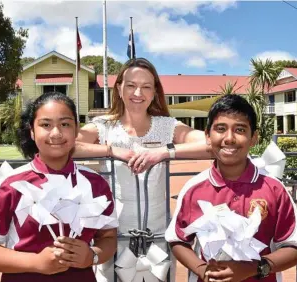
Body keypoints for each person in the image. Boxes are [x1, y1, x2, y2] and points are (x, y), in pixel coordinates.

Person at [75, 58, 213, 281]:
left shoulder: (167, 126)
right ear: (119, 87)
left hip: (157, 237)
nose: (137, 92)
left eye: (146, 86)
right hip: (112, 238)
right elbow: (65, 145)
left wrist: (163, 152)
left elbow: (211, 145)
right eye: (130, 85)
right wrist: (111, 150)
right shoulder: (103, 126)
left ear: (155, 92)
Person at [0, 92, 118, 282]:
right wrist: (36, 263)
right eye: (45, 125)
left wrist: (92, 256)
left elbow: (108, 238)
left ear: (75, 130)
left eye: (65, 124)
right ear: (32, 131)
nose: (56, 133)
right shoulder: (12, 185)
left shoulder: (95, 183)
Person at [165, 94, 297, 282]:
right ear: (208, 136)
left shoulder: (274, 189)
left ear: (253, 138)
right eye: (220, 129)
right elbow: (178, 240)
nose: (229, 138)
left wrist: (256, 268)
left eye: (240, 129)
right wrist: (202, 270)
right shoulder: (194, 189)